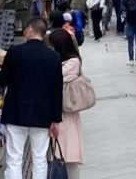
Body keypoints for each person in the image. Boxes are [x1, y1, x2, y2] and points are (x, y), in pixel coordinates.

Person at [0, 17, 63, 179]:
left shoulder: (15, 52)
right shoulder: (54, 58)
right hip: (43, 114)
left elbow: (3, 80)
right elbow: (57, 90)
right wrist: (56, 119)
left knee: (14, 158)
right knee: (39, 159)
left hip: (16, 111)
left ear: (30, 29)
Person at [48, 29, 85, 179]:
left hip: (67, 112)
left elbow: (55, 78)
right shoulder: (62, 61)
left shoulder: (73, 62)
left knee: (69, 154)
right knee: (55, 153)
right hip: (56, 112)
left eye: (52, 46)